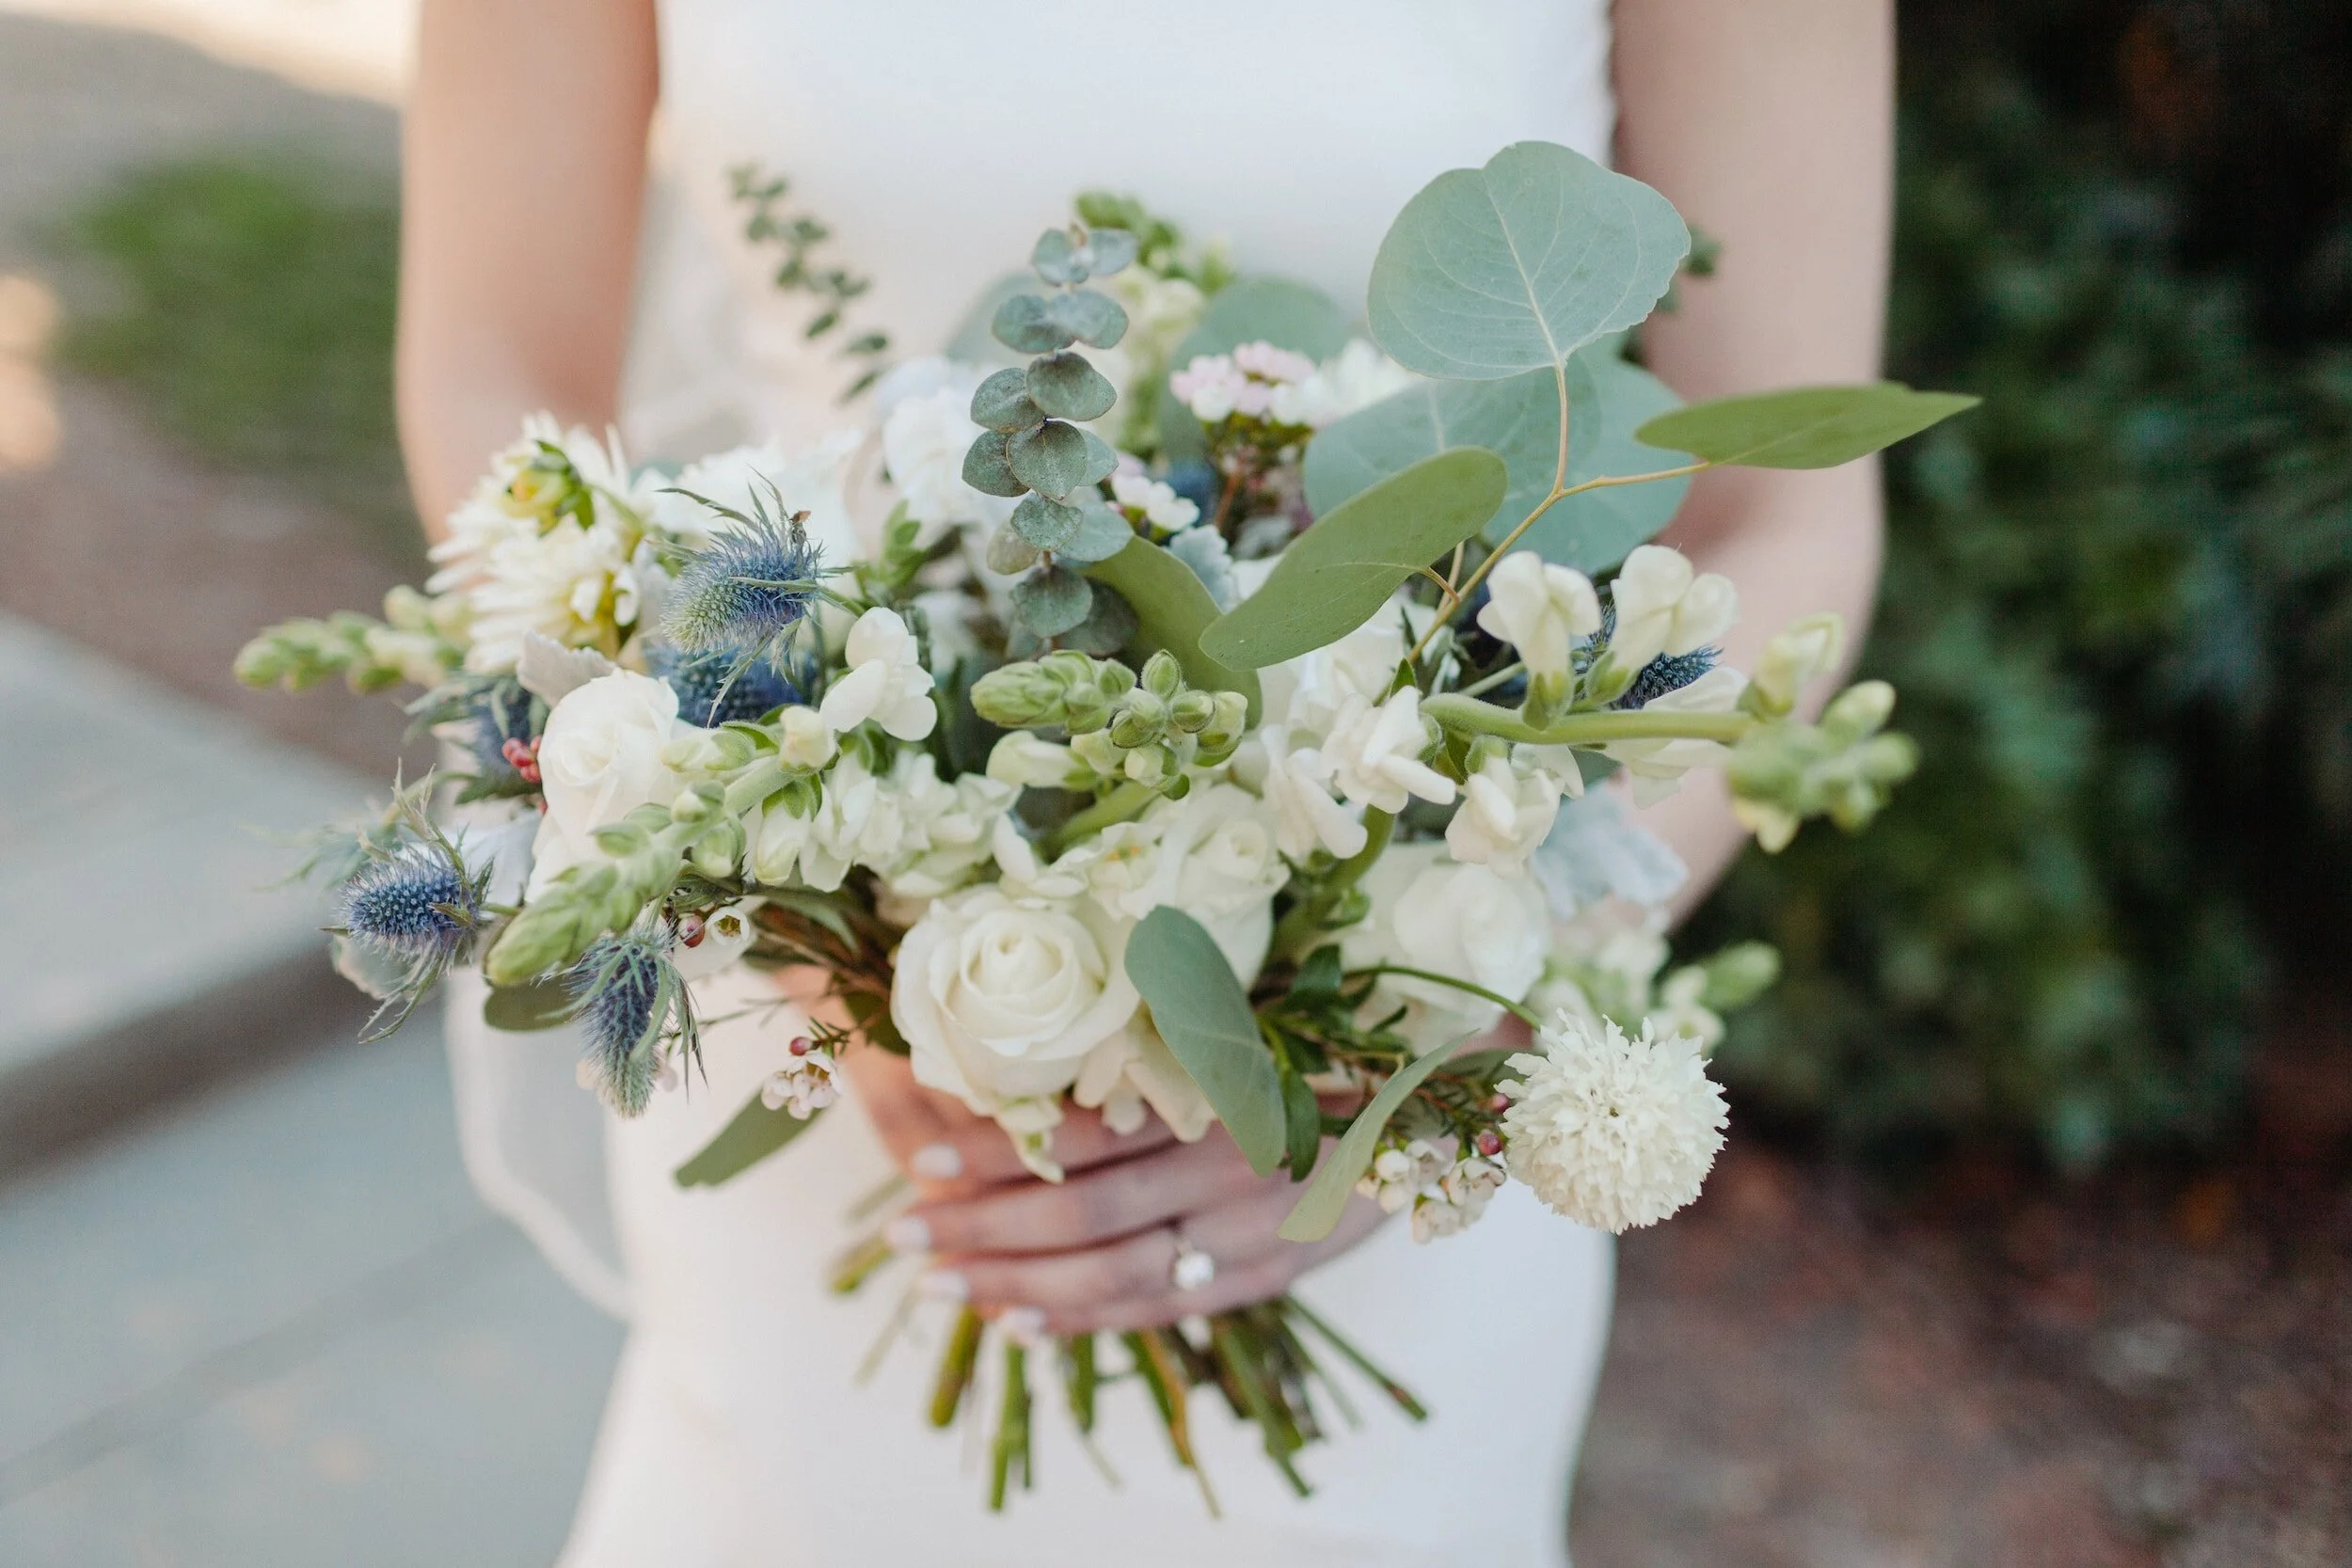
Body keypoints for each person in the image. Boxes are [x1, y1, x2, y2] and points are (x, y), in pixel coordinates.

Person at [397, 3, 1893, 1563]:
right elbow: (496, 379)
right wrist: (830, 911)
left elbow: (1784, 522)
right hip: (841, 1069)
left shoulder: (1409, 1035)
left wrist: (1417, 1018)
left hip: (1370, 1132)